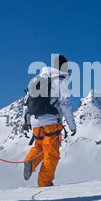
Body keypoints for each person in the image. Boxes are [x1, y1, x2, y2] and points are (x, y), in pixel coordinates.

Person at [22, 55, 77, 187]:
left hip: (36, 123)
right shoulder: (61, 81)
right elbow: (65, 105)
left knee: (39, 147)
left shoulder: (37, 79)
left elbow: (26, 102)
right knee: (51, 155)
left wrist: (26, 121)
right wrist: (72, 126)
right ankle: (44, 184)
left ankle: (30, 161)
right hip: (52, 123)